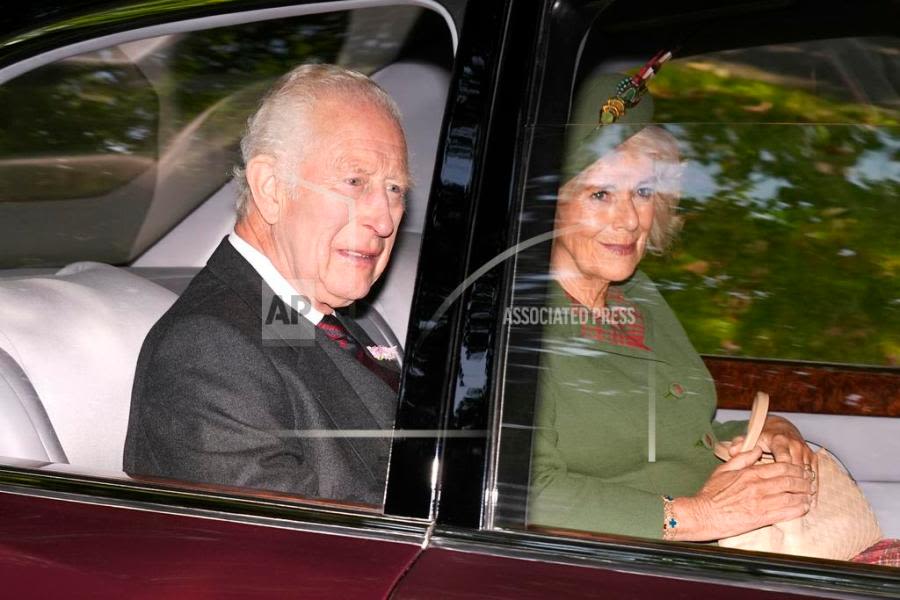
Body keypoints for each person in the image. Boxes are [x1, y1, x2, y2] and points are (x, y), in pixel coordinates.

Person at [527, 73, 819, 542]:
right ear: (549, 206)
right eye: (600, 193)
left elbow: (677, 434)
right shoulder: (518, 325)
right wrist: (695, 517)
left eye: (643, 192)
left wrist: (766, 429)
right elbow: (519, 492)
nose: (628, 219)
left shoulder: (636, 295)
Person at [123, 64, 409, 506]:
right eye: (355, 182)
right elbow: (288, 555)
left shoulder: (301, 310)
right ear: (272, 188)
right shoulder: (206, 352)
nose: (385, 218)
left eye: (394, 189)